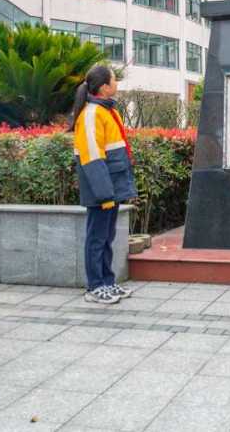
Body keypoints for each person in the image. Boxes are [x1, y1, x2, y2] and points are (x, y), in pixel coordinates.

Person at [71, 65, 136, 304]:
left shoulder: (108, 111)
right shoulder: (91, 114)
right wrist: (104, 193)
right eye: (114, 80)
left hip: (112, 186)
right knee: (96, 237)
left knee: (106, 236)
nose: (116, 83)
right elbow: (92, 157)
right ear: (104, 86)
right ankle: (95, 286)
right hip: (102, 189)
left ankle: (107, 281)